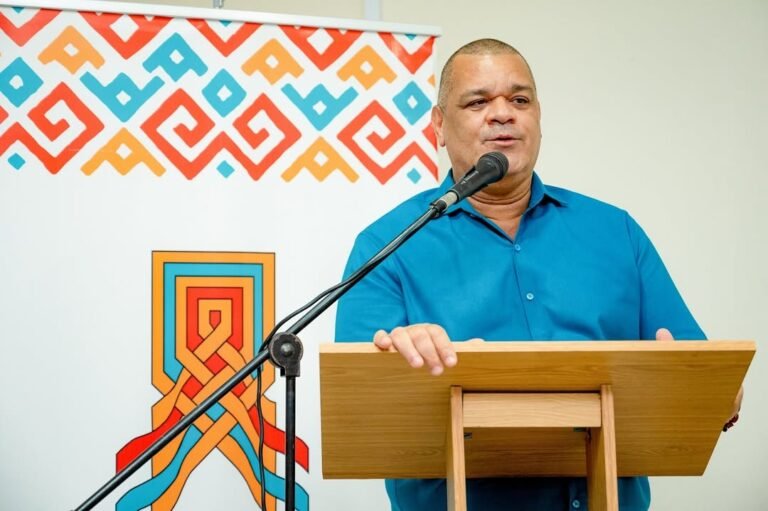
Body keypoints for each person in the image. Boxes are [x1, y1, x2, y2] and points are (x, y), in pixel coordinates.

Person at [335, 39, 739, 511]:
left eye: (520, 100)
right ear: (440, 126)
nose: (503, 113)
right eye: (478, 101)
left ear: (538, 119)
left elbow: (707, 383)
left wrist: (711, 392)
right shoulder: (388, 246)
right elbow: (361, 410)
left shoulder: (616, 232)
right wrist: (409, 367)